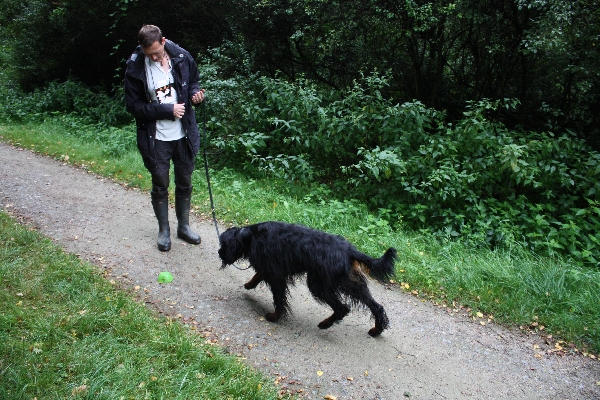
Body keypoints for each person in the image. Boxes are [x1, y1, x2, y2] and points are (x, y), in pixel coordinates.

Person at [124, 24, 205, 251]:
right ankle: (164, 231)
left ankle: (184, 227)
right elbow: (133, 106)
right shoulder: (135, 67)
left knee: (185, 181)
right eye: (148, 53)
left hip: (184, 134)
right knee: (160, 183)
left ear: (163, 41)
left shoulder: (181, 56)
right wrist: (167, 110)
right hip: (155, 137)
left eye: (157, 52)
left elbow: (194, 81)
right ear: (142, 48)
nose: (154, 57)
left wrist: (196, 95)